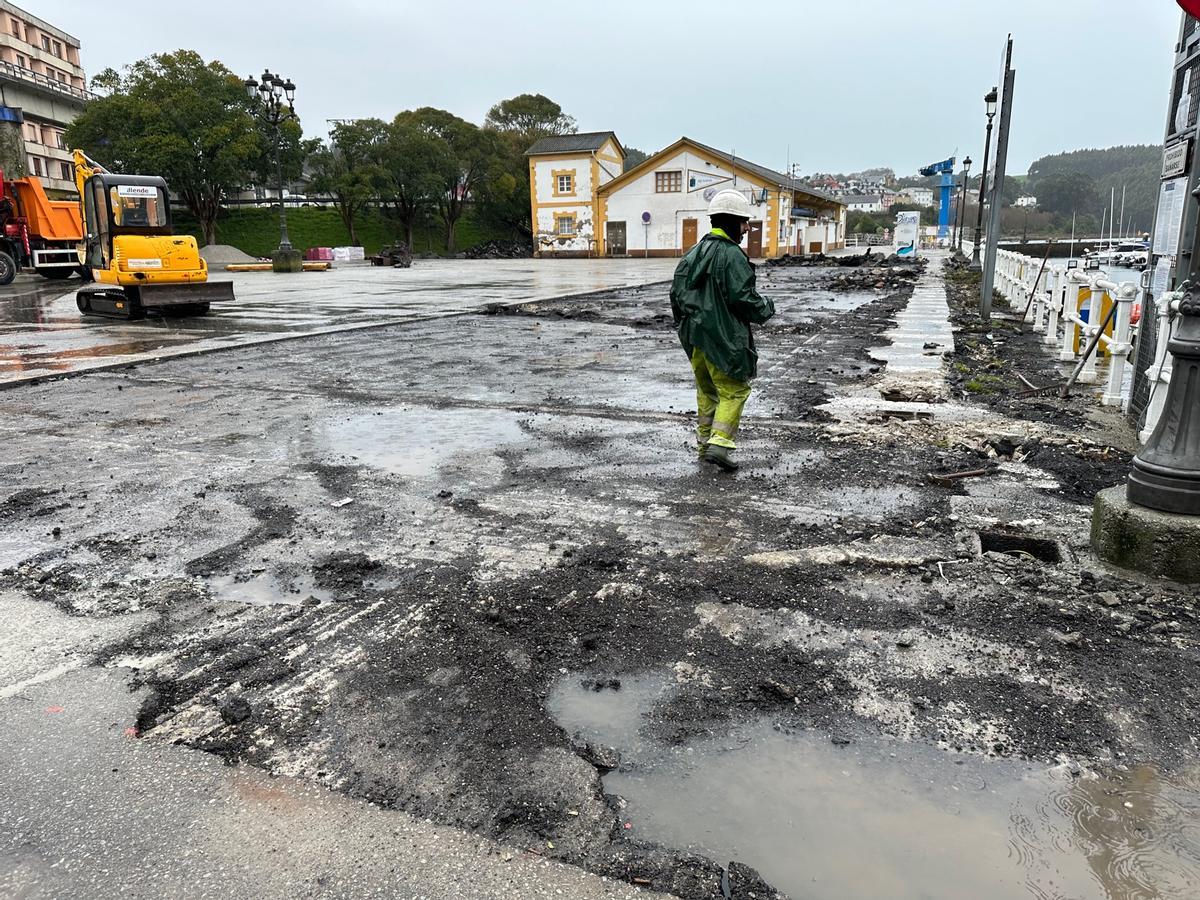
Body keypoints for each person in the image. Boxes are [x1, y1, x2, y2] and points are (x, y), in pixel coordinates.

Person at [670, 189, 775, 472]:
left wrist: (688, 331)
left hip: (695, 339)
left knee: (706, 391)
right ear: (729, 221)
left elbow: (676, 296)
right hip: (723, 339)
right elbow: (743, 299)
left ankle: (704, 444)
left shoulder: (692, 254)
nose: (746, 228)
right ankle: (720, 444)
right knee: (734, 389)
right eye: (743, 221)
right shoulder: (732, 255)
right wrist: (766, 308)